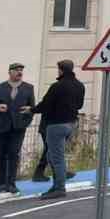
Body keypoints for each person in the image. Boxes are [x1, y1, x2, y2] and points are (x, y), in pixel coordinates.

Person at [34, 60, 85, 199]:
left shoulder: (57, 86)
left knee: (57, 158)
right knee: (51, 155)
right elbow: (79, 105)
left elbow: (45, 105)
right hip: (71, 124)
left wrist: (31, 110)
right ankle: (56, 184)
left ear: (61, 70)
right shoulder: (80, 86)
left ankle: (60, 188)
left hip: (56, 124)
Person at [0, 62, 35, 193]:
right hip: (0, 127)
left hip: (18, 128)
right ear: (10, 72)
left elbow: (32, 108)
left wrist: (26, 122)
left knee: (14, 154)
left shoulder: (28, 88)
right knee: (1, 155)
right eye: (17, 70)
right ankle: (1, 183)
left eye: (21, 71)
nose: (20, 73)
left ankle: (11, 183)